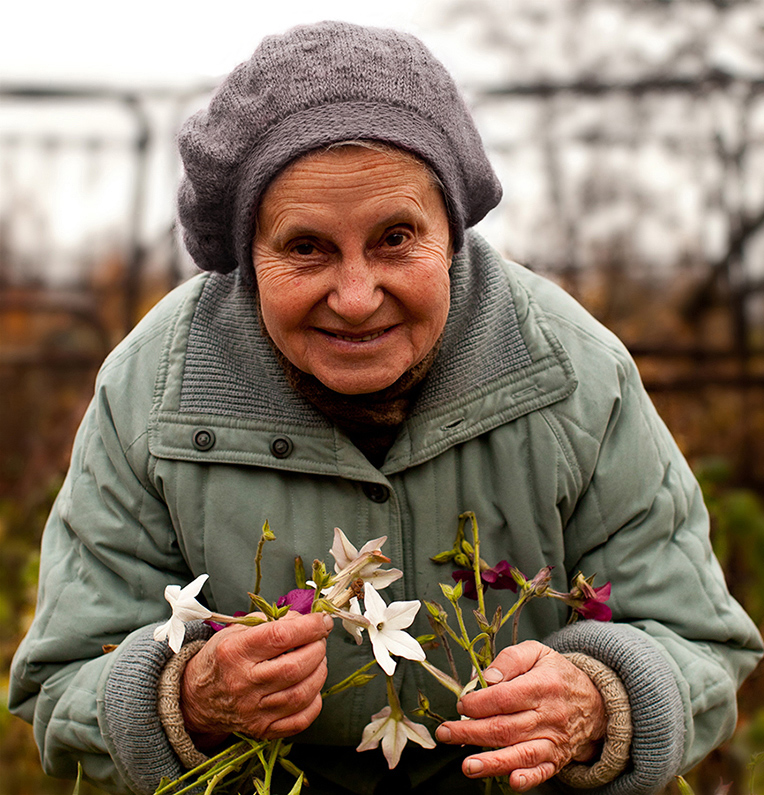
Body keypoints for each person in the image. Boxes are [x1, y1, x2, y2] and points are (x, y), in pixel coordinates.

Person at [9, 20, 763, 795]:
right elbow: (62, 681)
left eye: (396, 237)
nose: (357, 297)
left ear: (453, 231)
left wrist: (599, 703)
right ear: (245, 255)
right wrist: (189, 700)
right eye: (306, 248)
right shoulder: (152, 389)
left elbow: (699, 640)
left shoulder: (574, 372)